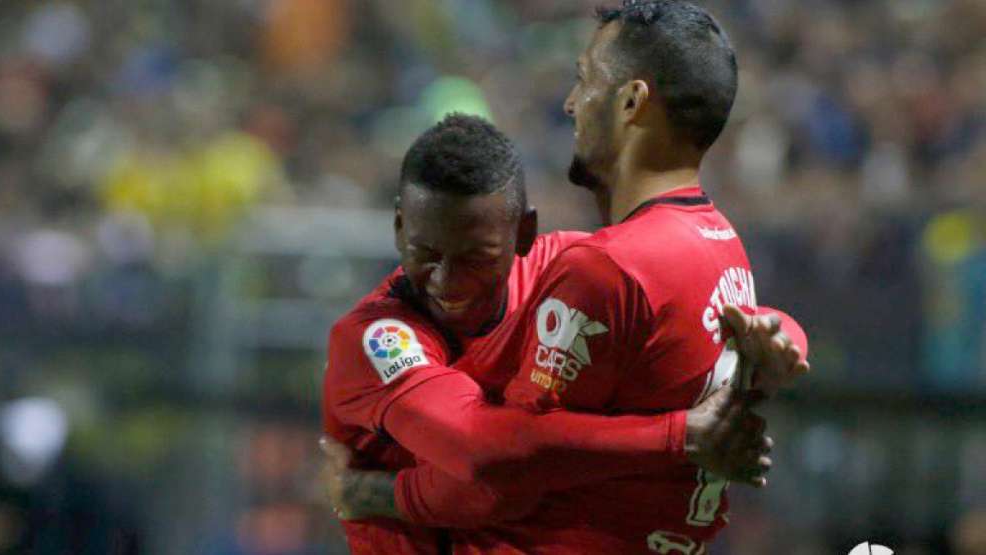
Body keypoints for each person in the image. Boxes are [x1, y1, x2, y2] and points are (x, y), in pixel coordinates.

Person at [325, 2, 805, 553]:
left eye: (585, 79)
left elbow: (502, 472)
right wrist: (785, 335)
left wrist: (375, 493)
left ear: (632, 102)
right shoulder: (723, 248)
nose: (571, 102)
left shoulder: (605, 269)